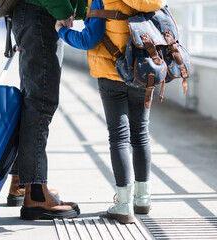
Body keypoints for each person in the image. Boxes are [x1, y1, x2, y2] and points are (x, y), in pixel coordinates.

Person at [55, 0, 166, 223]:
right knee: (141, 134)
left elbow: (88, 39)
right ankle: (143, 199)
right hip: (145, 71)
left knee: (119, 137)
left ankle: (124, 205)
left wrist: (62, 31)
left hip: (111, 72)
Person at [7, 0, 88, 220]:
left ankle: (21, 183)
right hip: (42, 13)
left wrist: (81, 10)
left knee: (31, 101)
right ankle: (36, 195)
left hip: (34, 13)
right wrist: (63, 11)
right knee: (41, 103)